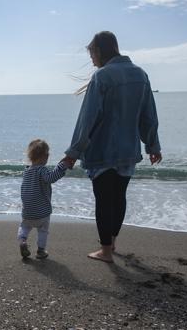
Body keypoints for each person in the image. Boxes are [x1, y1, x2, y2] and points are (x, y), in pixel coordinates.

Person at [63, 31, 162, 264]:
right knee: (119, 198)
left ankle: (106, 251)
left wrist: (72, 153)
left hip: (103, 151)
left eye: (92, 54)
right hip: (128, 150)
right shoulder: (140, 74)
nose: (92, 60)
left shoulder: (102, 77)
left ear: (99, 51)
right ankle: (113, 243)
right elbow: (149, 115)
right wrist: (152, 145)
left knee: (103, 201)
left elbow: (87, 119)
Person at [18, 139, 71, 259]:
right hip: (42, 212)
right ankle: (40, 251)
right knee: (43, 230)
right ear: (45, 156)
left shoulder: (26, 171)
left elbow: (24, 189)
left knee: (24, 227)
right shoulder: (42, 170)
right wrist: (62, 166)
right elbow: (50, 178)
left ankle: (22, 241)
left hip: (27, 212)